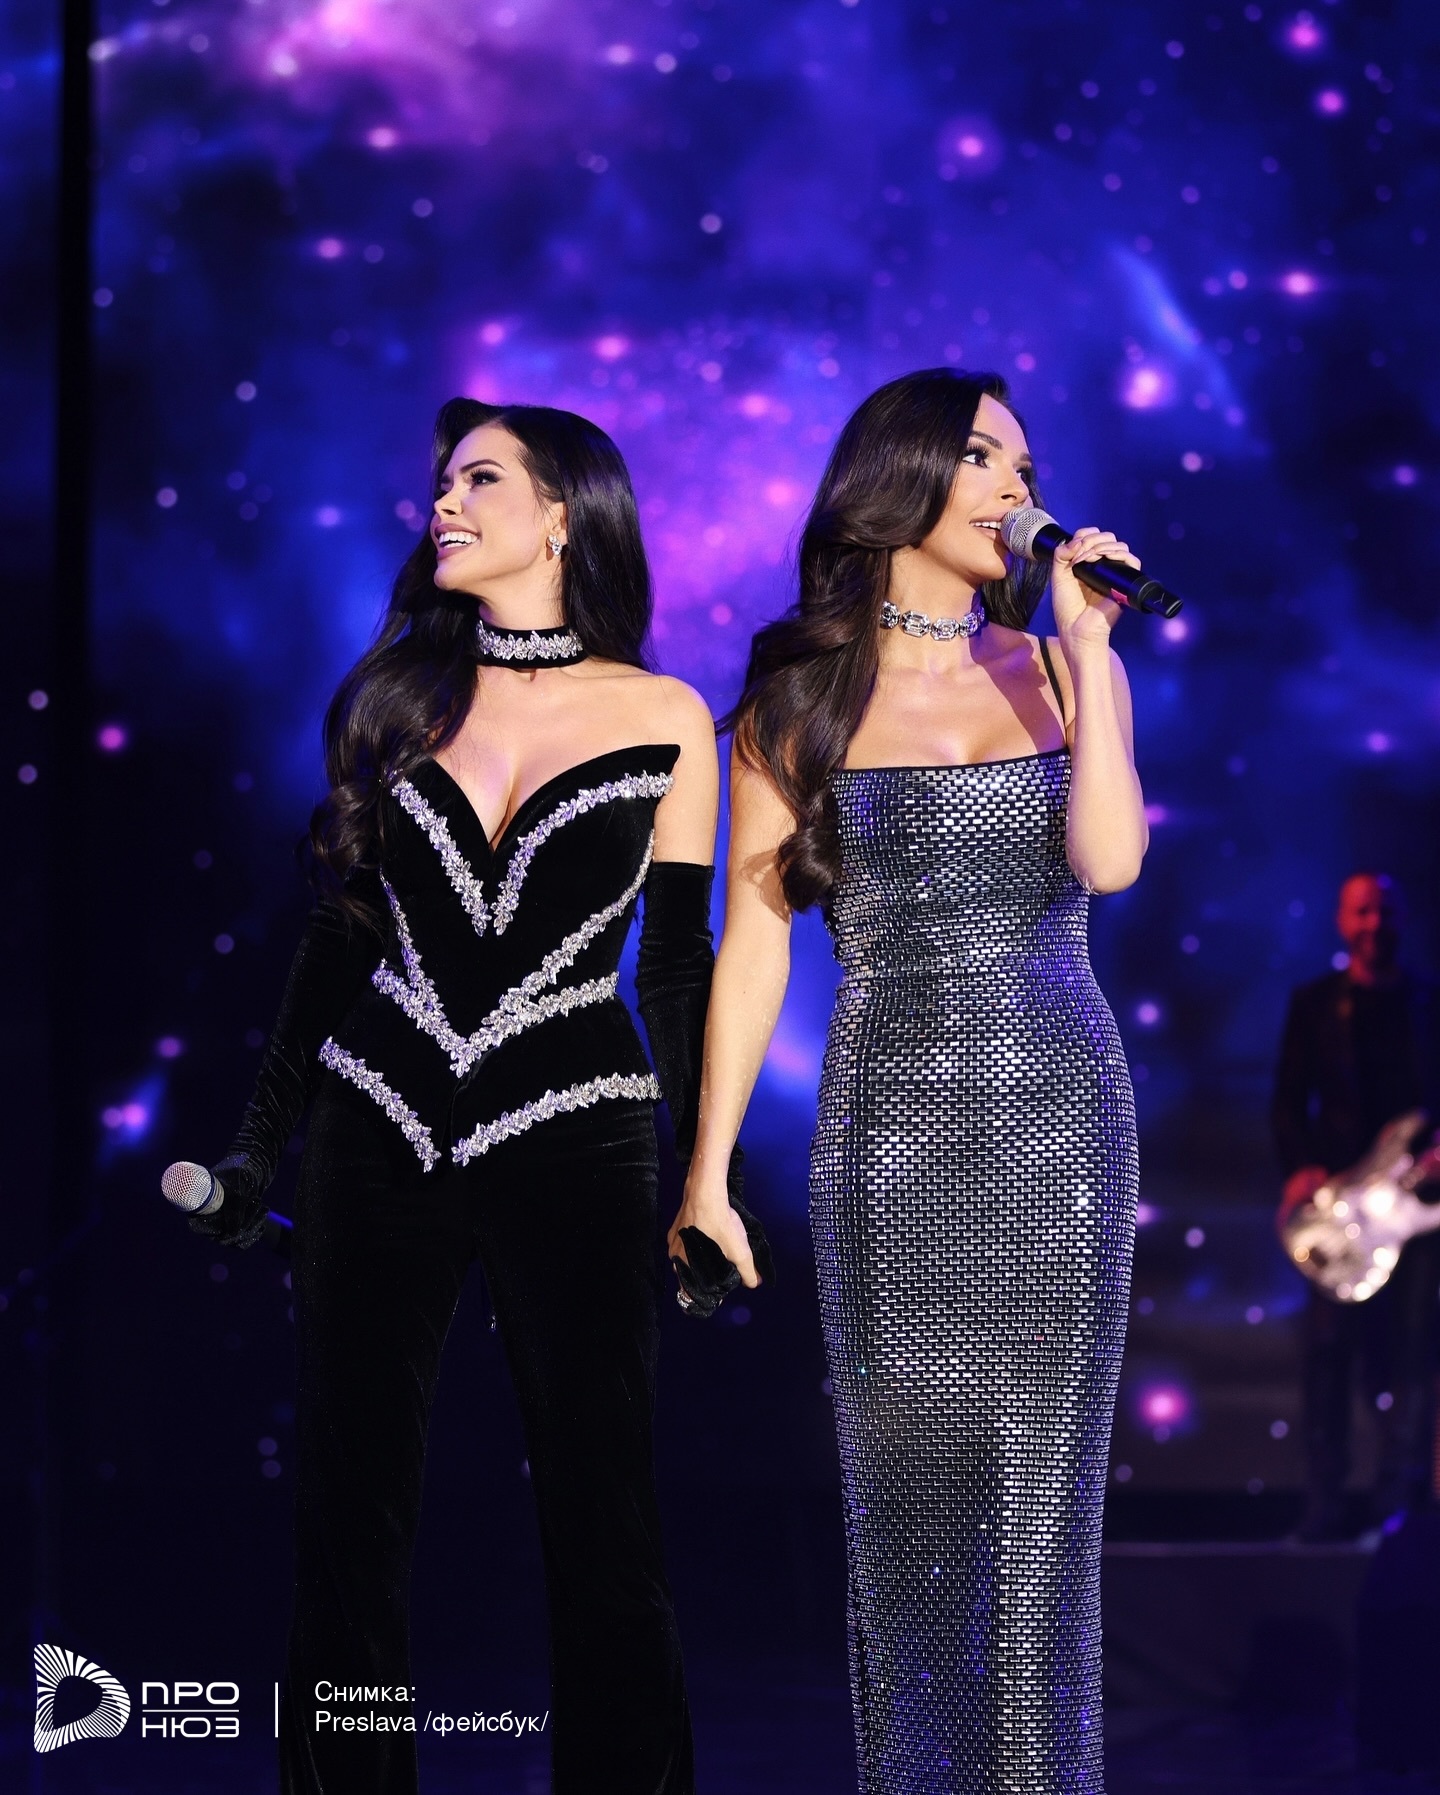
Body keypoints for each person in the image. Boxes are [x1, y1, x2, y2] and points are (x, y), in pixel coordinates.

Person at [178, 399, 743, 1794]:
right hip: (375, 1123)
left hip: (581, 1130)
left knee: (605, 1523)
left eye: (480, 478)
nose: (444, 499)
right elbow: (336, 947)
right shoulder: (401, 702)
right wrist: (255, 1152)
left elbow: (679, 962)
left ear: (562, 516)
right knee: (347, 1524)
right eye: (441, 480)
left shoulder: (667, 714)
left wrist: (706, 1178)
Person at [670, 369, 1145, 1791]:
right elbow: (753, 948)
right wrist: (707, 1175)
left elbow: (1110, 860)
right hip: (890, 1135)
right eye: (986, 458)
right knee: (913, 1524)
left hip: (1059, 1120)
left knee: (1043, 1523)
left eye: (1026, 467)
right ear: (903, 476)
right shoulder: (798, 700)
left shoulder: (1059, 666)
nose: (1016, 489)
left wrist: (1089, 652)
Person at [1273, 871, 1440, 1540]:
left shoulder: (1427, 1002)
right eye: (1363, 911)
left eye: (1385, 911)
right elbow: (1288, 1101)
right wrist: (1301, 1168)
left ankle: (1397, 1504)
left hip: (1418, 1207)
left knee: (1410, 1353)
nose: (1375, 923)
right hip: (1341, 1207)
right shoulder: (1316, 1004)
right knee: (1328, 1354)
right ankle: (1325, 1503)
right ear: (1344, 921)